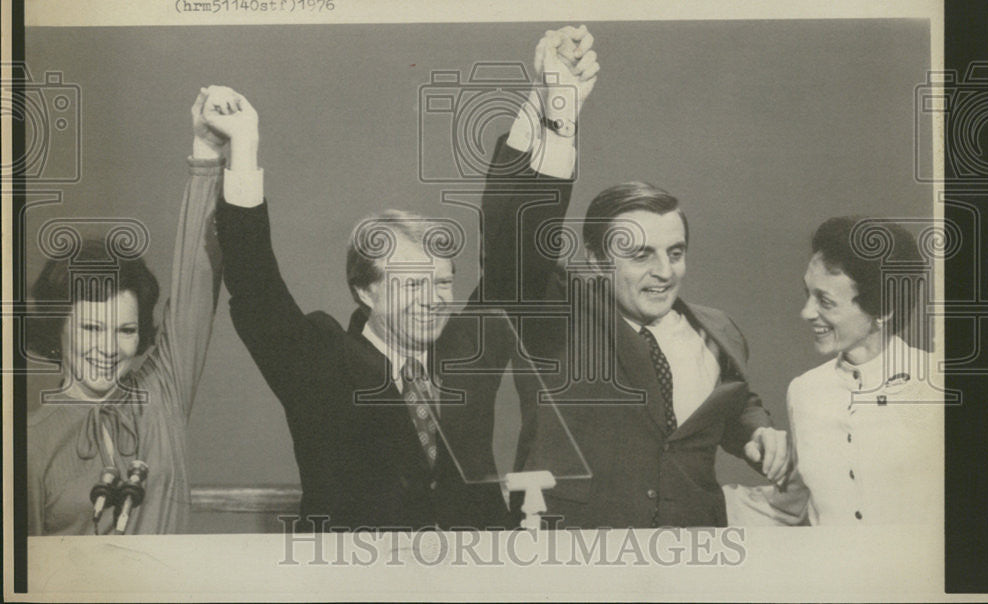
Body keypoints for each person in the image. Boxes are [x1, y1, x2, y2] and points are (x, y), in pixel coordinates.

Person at [210, 27, 600, 530]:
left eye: (441, 282)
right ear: (364, 289)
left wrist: (557, 117)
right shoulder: (323, 359)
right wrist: (243, 146)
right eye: (412, 284)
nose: (434, 300)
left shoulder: (465, 347)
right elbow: (255, 284)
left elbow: (518, 254)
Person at [482, 85, 789, 530]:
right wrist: (557, 119)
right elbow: (510, 238)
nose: (664, 271)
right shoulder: (557, 315)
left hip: (695, 553)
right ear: (595, 258)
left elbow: (735, 400)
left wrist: (756, 433)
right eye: (641, 255)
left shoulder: (718, 327)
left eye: (676, 252)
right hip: (579, 555)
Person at [26, 86, 232, 535]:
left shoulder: (161, 397)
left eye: (125, 329)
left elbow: (197, 277)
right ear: (57, 327)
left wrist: (207, 151)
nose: (108, 347)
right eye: (91, 326)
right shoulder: (27, 444)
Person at [724, 216, 944, 526]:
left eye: (825, 302)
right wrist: (691, 497)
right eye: (808, 295)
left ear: (884, 309)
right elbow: (795, 504)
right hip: (831, 572)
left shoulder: (939, 384)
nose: (807, 312)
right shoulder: (805, 391)